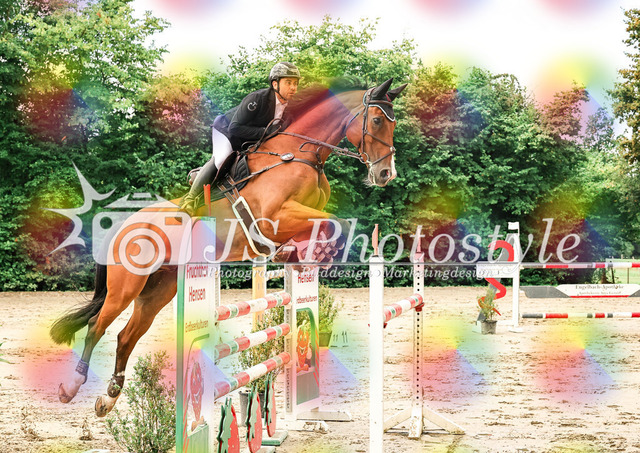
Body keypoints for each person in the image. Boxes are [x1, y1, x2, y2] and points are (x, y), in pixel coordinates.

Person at [180, 62, 301, 214]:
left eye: (295, 83)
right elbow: (235, 128)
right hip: (226, 130)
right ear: (275, 84)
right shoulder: (258, 98)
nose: (293, 87)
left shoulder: (291, 108)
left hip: (250, 140)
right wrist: (265, 132)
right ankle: (189, 200)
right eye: (288, 83)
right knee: (222, 159)